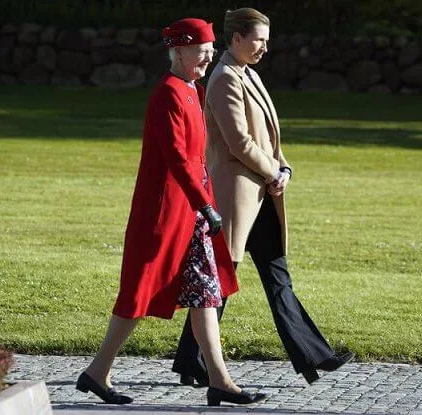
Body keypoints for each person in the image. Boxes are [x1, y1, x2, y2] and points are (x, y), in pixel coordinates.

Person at [75, 18, 266, 407]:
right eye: (202, 51)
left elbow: (196, 160)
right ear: (178, 51)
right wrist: (206, 206)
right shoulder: (168, 93)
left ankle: (219, 380)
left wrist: (204, 205)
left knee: (206, 294)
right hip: (164, 212)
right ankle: (97, 372)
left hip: (191, 212)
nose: (208, 58)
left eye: (211, 52)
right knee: (139, 293)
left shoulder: (192, 90)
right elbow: (178, 160)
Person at [172, 8, 354, 386]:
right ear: (236, 39)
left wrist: (282, 168)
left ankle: (313, 355)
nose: (264, 48)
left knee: (276, 277)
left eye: (267, 41)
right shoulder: (224, 78)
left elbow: (268, 136)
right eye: (258, 40)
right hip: (238, 195)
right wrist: (274, 172)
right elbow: (239, 142)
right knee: (221, 280)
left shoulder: (247, 73)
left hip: (261, 194)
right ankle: (192, 359)